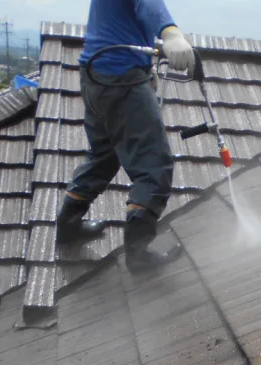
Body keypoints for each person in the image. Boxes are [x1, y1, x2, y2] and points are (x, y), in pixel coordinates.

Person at [57, 0, 195, 272]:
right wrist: (171, 33)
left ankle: (68, 226)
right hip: (121, 79)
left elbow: (122, 18)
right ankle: (139, 254)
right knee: (153, 165)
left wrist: (146, 66)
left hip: (96, 75)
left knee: (104, 155)